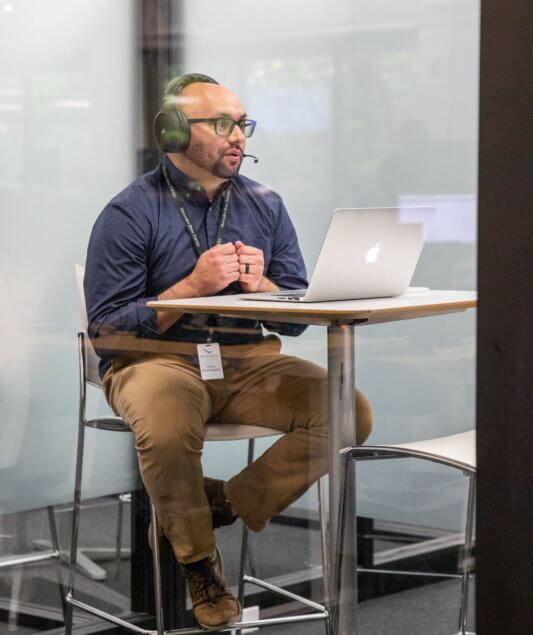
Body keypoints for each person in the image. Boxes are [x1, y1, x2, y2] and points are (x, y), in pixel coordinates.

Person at [84, 73, 372, 629]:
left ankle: (217, 505)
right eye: (222, 124)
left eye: (243, 124)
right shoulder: (129, 213)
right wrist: (190, 288)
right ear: (174, 133)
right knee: (165, 424)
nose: (238, 135)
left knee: (349, 410)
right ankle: (199, 565)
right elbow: (107, 332)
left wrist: (266, 289)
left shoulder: (265, 204)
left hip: (249, 362)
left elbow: (297, 316)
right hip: (154, 360)